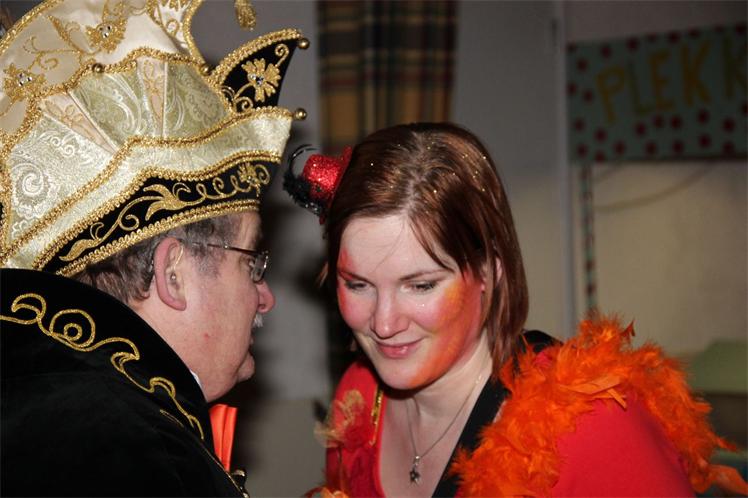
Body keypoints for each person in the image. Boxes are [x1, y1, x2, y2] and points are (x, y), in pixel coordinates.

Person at [284, 123, 747, 497]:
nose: (384, 323)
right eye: (358, 285)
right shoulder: (360, 399)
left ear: (491, 270)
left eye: (420, 285)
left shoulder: (594, 426)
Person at [0, 0, 308, 495]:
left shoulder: (42, 399)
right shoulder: (139, 451)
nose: (266, 296)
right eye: (252, 262)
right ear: (173, 273)